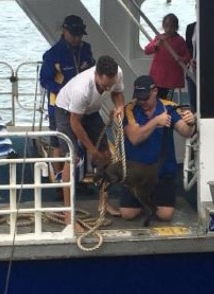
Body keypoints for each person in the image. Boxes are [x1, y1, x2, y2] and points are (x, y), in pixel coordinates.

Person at [54, 55, 125, 229]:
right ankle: (68, 214)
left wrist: (119, 107)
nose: (107, 88)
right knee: (72, 159)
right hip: (67, 111)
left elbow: (117, 93)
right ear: (97, 75)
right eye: (104, 85)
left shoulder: (117, 74)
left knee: (107, 155)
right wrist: (92, 150)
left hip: (92, 111)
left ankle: (103, 202)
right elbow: (75, 123)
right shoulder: (82, 89)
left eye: (110, 83)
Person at [120, 75, 195, 221]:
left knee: (165, 215)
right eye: (139, 98)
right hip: (136, 174)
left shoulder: (169, 107)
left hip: (162, 173)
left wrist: (190, 122)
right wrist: (156, 121)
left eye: (145, 98)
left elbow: (185, 132)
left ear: (155, 91)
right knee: (128, 214)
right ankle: (143, 200)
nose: (142, 102)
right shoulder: (129, 110)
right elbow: (134, 138)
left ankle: (152, 200)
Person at [39, 14, 95, 182]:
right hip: (59, 105)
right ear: (64, 31)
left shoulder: (85, 49)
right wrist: (63, 90)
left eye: (80, 35)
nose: (77, 38)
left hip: (82, 102)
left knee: (82, 139)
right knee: (58, 142)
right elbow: (44, 80)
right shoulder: (52, 55)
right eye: (74, 35)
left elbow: (92, 70)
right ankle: (58, 181)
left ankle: (79, 178)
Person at [143, 13, 190, 100]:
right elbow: (147, 50)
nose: (168, 29)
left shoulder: (179, 41)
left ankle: (166, 112)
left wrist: (181, 58)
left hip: (171, 80)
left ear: (176, 27)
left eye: (172, 27)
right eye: (166, 26)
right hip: (157, 77)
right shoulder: (159, 38)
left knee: (166, 101)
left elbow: (187, 57)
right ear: (163, 26)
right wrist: (156, 45)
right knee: (155, 100)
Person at [185, 21, 197, 112]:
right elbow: (188, 47)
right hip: (192, 70)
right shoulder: (191, 27)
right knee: (193, 104)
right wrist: (190, 59)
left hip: (208, 72)